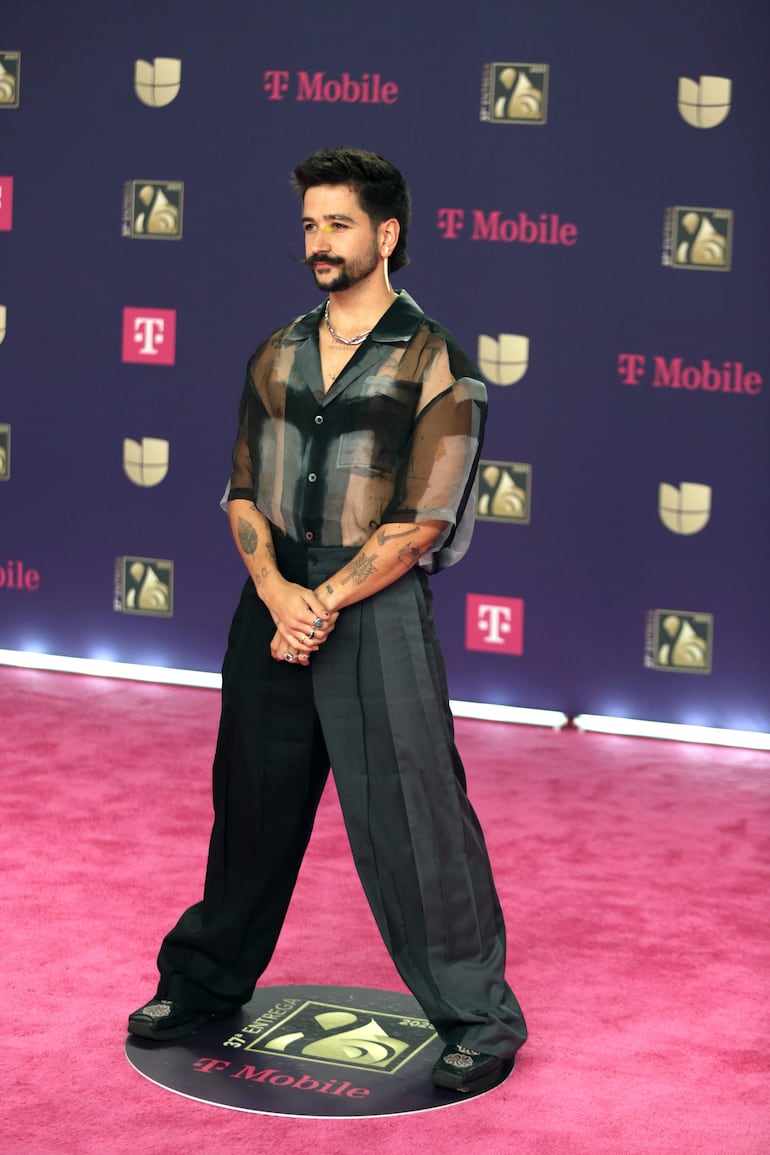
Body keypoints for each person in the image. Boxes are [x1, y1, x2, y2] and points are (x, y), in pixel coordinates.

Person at [128, 147, 527, 1094]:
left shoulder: (438, 365)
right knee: (251, 812)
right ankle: (206, 982)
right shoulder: (276, 350)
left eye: (339, 223)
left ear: (387, 235)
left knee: (413, 819)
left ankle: (479, 1017)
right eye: (310, 223)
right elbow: (238, 493)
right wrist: (275, 590)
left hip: (374, 609)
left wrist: (323, 601)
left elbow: (424, 522)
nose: (319, 241)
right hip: (272, 604)